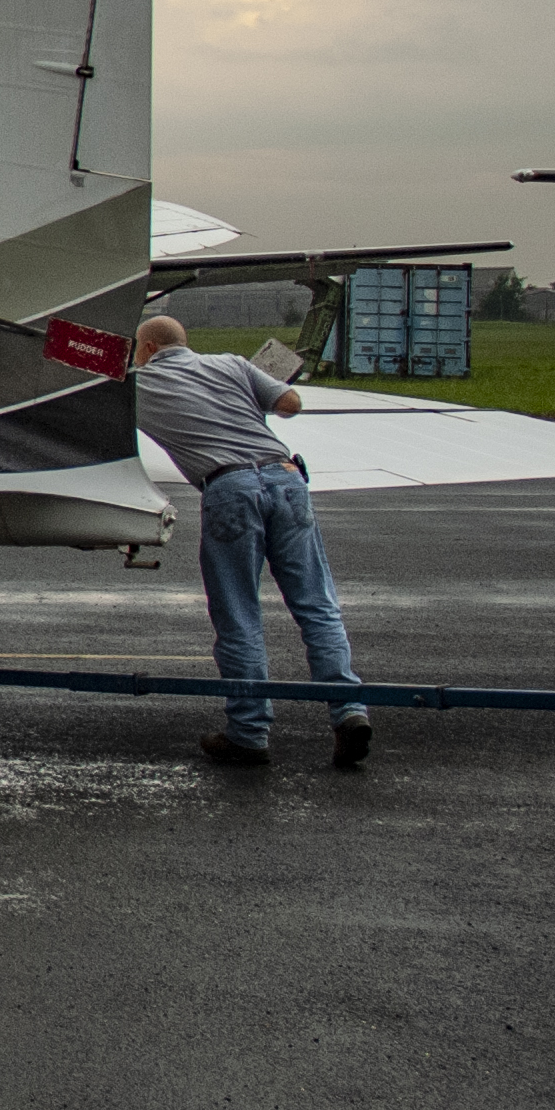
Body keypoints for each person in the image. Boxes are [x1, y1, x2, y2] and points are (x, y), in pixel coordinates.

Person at [130, 313, 367, 771]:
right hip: (286, 477)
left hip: (229, 488)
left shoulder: (137, 386)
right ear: (185, 343)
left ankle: (249, 733)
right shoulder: (232, 364)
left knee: (239, 613)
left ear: (147, 350)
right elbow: (291, 404)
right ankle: (349, 711)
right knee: (317, 605)